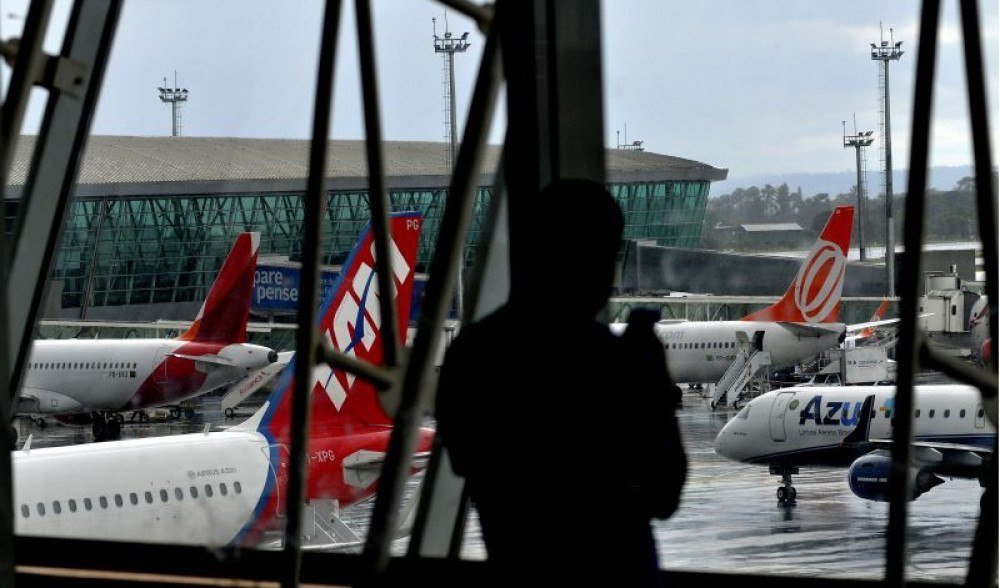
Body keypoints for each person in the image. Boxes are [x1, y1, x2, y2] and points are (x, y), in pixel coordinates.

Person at [436, 178, 687, 587]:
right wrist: (654, 388)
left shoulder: (471, 354)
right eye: (605, 257)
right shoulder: (611, 361)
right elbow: (663, 496)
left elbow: (467, 462)